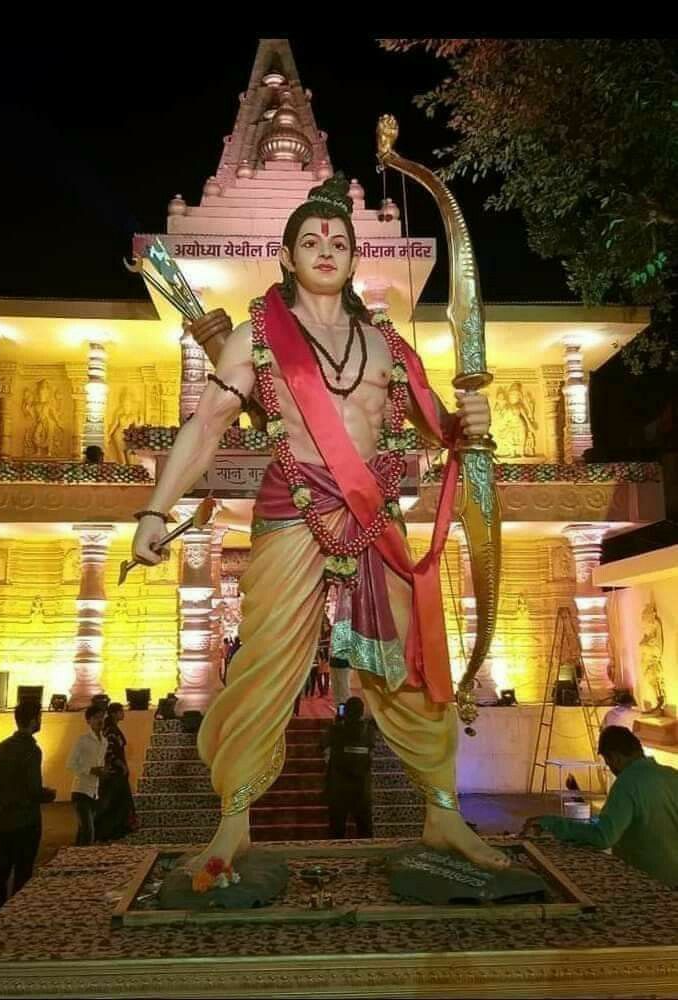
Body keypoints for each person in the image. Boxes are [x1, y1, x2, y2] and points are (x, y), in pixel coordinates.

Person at [131, 172, 506, 879]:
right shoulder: (256, 338)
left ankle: (445, 817)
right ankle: (232, 827)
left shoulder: (389, 346)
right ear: (287, 256)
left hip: (374, 516)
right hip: (291, 512)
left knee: (410, 667)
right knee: (266, 662)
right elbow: (207, 423)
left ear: (356, 257)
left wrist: (469, 424)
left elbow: (439, 431)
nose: (326, 248)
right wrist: (156, 509)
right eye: (311, 239)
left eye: (339, 239)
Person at [524, 726, 678, 886]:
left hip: (648, 881)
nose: (611, 769)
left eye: (608, 763)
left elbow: (604, 836)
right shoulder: (672, 775)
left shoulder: (627, 783)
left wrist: (553, 824)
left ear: (615, 758)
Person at [0, 700, 56, 911]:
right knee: (23, 869)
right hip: (26, 818)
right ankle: (16, 912)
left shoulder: (1, 748)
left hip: (5, 817)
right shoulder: (31, 751)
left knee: (3, 866)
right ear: (33, 720)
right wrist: (48, 795)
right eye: (39, 718)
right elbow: (33, 789)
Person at [322, 697, 376, 838]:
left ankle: (335, 858)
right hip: (361, 787)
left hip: (339, 786)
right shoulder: (369, 731)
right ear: (361, 712)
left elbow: (322, 744)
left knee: (336, 829)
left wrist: (336, 723)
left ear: (345, 711)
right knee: (364, 829)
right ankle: (365, 856)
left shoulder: (336, 729)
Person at [95, 703, 136, 841]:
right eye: (120, 712)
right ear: (114, 713)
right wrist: (121, 765)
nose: (123, 714)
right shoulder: (111, 731)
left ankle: (113, 832)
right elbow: (110, 752)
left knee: (117, 804)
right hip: (114, 774)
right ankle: (108, 832)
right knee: (113, 804)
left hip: (116, 773)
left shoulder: (111, 729)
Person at [67, 705, 107, 845]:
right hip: (81, 790)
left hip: (94, 791)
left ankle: (76, 860)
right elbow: (71, 763)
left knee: (83, 831)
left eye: (102, 717)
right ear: (88, 720)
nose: (100, 720)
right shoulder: (82, 740)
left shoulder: (104, 742)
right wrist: (90, 770)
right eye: (96, 717)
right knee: (88, 832)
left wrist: (102, 771)